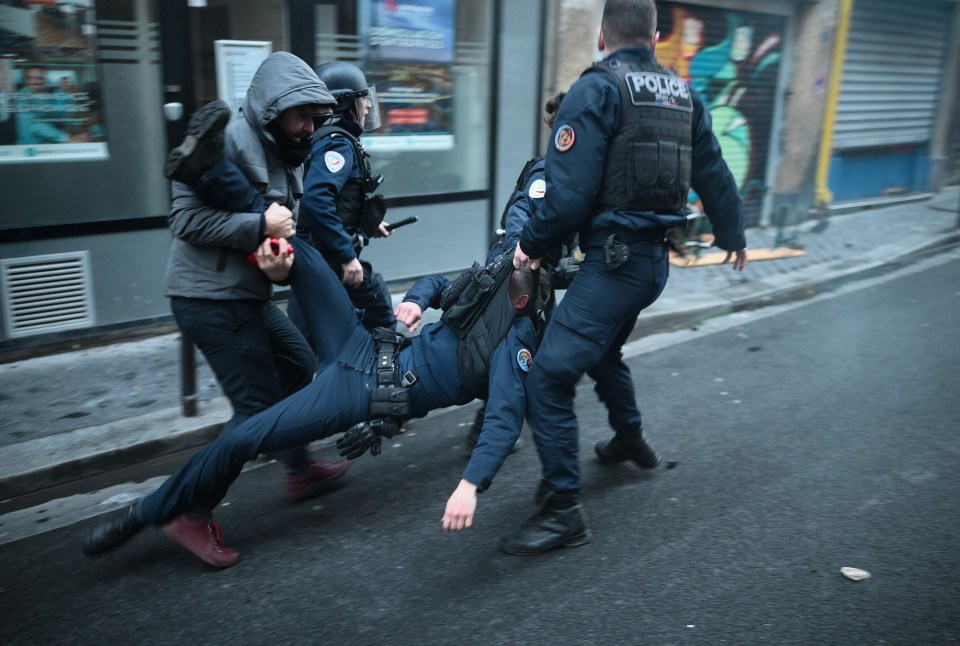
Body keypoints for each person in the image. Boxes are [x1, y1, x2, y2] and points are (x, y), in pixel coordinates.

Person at [81, 229, 542, 567]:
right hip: (362, 344)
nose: (515, 254)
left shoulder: (514, 339)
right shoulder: (494, 282)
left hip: (359, 392)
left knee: (247, 435)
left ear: (538, 278)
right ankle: (234, 272)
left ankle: (152, 512)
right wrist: (417, 300)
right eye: (517, 248)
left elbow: (503, 420)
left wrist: (469, 485)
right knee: (299, 249)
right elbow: (441, 284)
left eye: (527, 255)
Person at [503, 0, 749, 555]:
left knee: (547, 376)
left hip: (614, 264)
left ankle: (563, 509)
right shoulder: (684, 93)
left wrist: (531, 248)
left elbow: (567, 196)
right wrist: (734, 235)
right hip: (654, 265)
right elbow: (713, 170)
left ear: (601, 37)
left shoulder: (596, 89)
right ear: (657, 37)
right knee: (604, 349)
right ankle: (630, 437)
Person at [161, 52, 350, 506]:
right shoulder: (224, 139)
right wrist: (259, 227)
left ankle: (297, 465)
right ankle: (186, 508)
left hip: (248, 293)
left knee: (297, 360)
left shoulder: (287, 153)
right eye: (303, 115)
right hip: (208, 297)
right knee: (253, 411)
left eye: (315, 117)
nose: (311, 126)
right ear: (274, 108)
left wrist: (279, 260)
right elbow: (184, 221)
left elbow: (281, 232)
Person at [464, 92, 574, 453]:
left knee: (527, 349)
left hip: (533, 272)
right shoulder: (547, 171)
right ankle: (490, 430)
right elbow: (520, 214)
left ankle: (494, 426)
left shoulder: (567, 170)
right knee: (522, 349)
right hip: (519, 271)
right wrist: (522, 260)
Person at [289, 60, 397, 334]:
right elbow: (316, 201)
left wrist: (368, 224)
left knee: (313, 337)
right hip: (325, 258)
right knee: (380, 312)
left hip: (320, 256)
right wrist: (348, 256)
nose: (369, 105)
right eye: (364, 98)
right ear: (345, 103)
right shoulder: (337, 143)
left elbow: (338, 202)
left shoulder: (331, 139)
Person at [14, 64, 90, 145]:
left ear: (45, 80)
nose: (33, 82)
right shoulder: (21, 97)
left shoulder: (44, 95)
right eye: (29, 78)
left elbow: (53, 116)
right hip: (30, 146)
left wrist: (78, 121)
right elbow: (33, 123)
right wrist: (66, 137)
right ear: (25, 79)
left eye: (39, 78)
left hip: (47, 143)